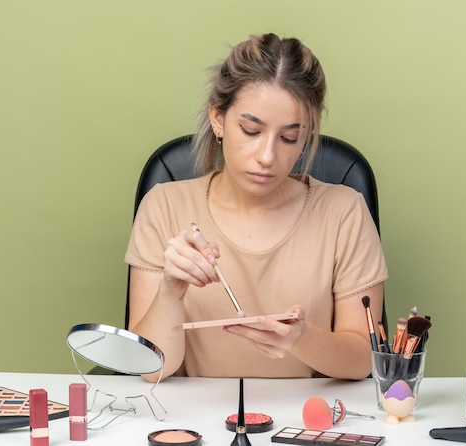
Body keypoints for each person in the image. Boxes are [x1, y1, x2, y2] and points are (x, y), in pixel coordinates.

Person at [125, 33, 387, 381]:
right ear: (218, 119)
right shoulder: (164, 206)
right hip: (195, 424)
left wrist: (303, 338)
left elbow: (362, 362)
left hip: (307, 426)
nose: (267, 157)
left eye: (289, 138)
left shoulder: (344, 213)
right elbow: (150, 370)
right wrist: (171, 291)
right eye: (251, 130)